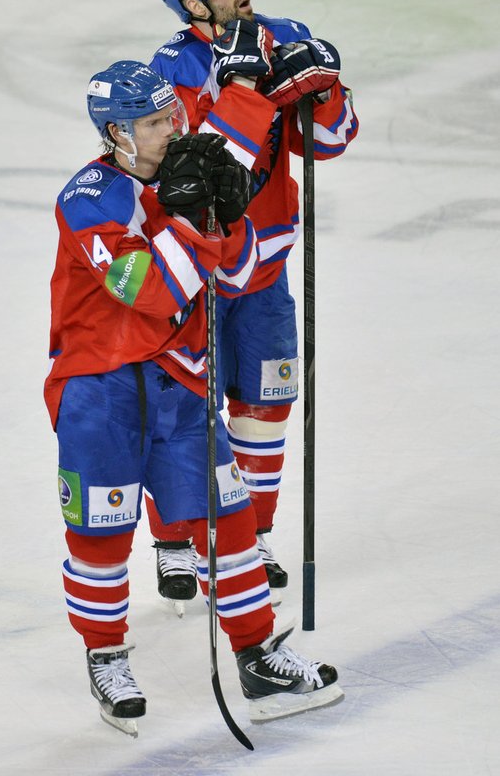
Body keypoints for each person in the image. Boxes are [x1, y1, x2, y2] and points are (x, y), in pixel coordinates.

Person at [46, 59, 343, 736]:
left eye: (169, 114)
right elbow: (148, 291)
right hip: (101, 392)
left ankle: (259, 657)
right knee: (99, 537)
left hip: (182, 383)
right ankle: (107, 658)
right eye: (153, 123)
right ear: (116, 133)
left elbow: (237, 275)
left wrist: (227, 214)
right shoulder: (89, 198)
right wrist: (194, 222)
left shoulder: (190, 173)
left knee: (229, 524)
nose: (171, 128)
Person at [145, 0, 360, 605]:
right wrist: (245, 89)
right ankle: (176, 539)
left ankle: (253, 533)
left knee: (267, 405)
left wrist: (323, 92)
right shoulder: (171, 67)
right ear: (190, 2)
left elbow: (331, 141)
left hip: (266, 267)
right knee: (187, 414)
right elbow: (197, 175)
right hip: (200, 271)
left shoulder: (283, 38)